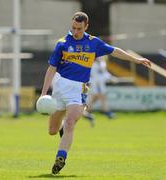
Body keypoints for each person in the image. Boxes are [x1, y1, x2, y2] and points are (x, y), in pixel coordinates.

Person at [40, 11, 151, 175]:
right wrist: (43, 93)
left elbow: (115, 51)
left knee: (71, 122)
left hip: (79, 89)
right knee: (52, 130)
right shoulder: (62, 43)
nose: (75, 32)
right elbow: (52, 68)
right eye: (73, 28)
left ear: (86, 26)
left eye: (79, 28)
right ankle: (61, 127)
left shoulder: (93, 43)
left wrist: (136, 60)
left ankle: (60, 158)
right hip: (60, 87)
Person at [83, 55, 117, 126]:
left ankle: (85, 112)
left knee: (94, 98)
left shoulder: (102, 63)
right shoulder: (94, 64)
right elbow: (95, 75)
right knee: (101, 96)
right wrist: (110, 78)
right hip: (96, 83)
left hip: (100, 83)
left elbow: (104, 73)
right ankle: (106, 111)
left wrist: (111, 78)